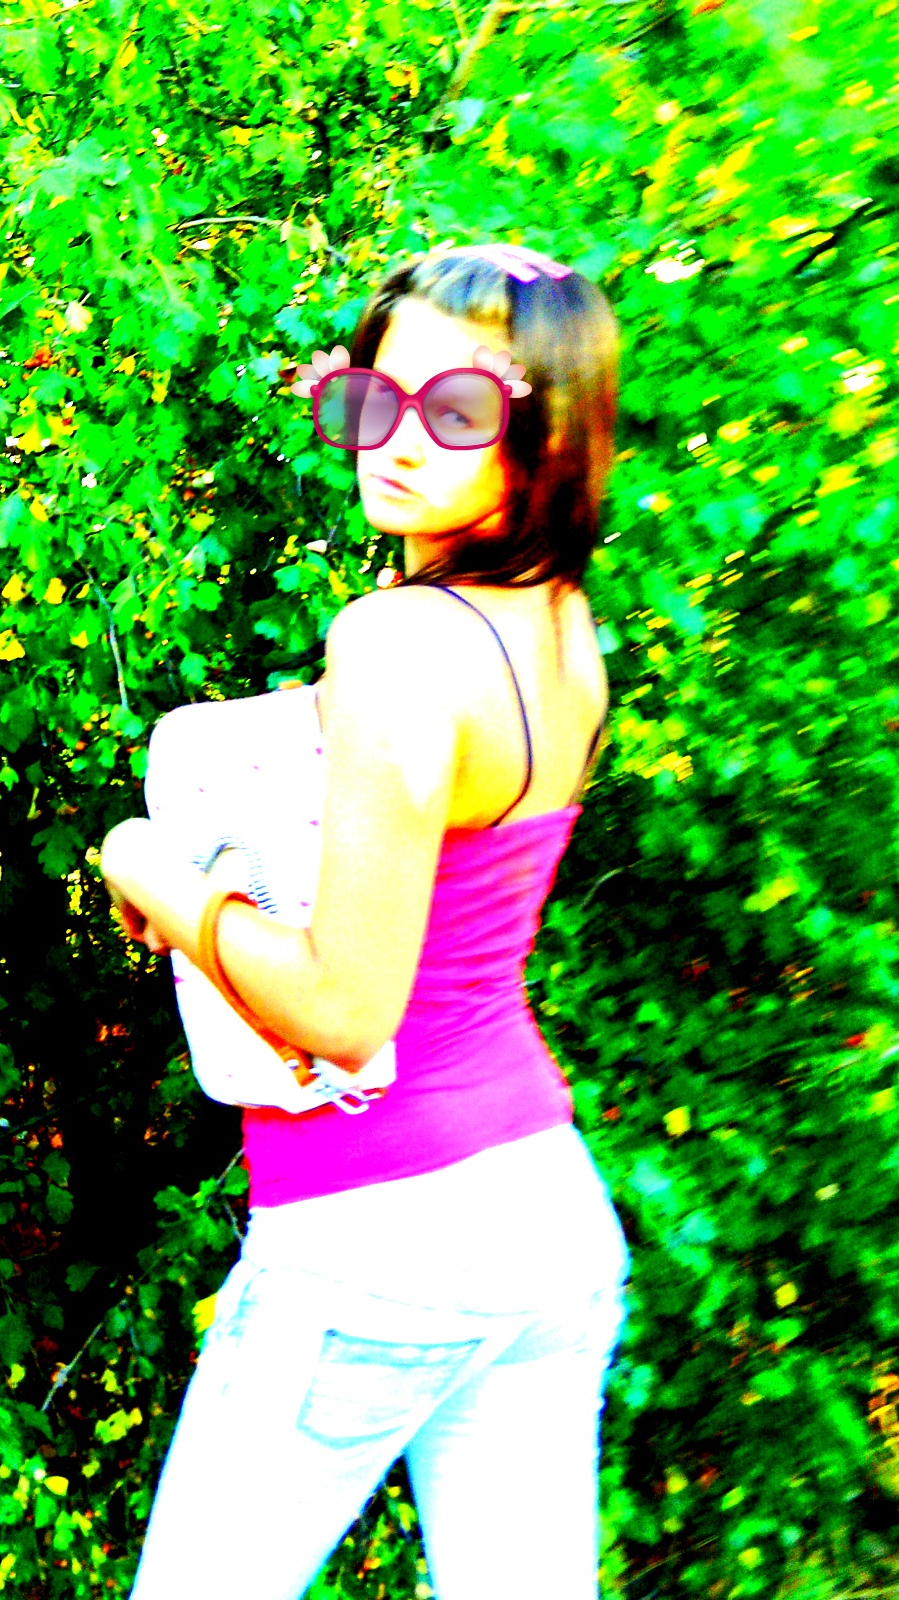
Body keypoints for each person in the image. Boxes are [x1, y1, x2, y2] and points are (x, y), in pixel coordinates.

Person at [100, 240, 631, 1600]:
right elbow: (442, 900)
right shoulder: (563, 628)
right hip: (543, 1220)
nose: (396, 441)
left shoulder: (397, 642)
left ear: (547, 435)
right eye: (373, 399)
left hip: (376, 1232)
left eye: (456, 410)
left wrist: (149, 869)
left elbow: (345, 1013)